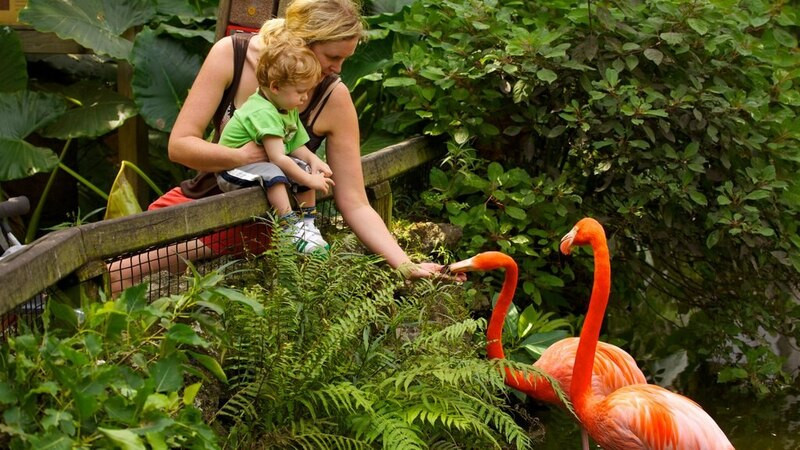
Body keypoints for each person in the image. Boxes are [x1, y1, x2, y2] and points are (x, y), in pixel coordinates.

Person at [109, 0, 457, 294]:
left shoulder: (333, 97)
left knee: (124, 272)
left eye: (345, 60)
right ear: (301, 42)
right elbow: (180, 147)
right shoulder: (231, 55)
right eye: (332, 57)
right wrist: (242, 156)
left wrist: (404, 263)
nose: (338, 70)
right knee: (113, 261)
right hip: (204, 195)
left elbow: (354, 200)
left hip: (264, 220)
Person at [215, 26, 333, 253]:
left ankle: (308, 225)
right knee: (276, 174)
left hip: (257, 164)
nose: (305, 98)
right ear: (275, 87)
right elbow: (278, 157)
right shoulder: (263, 111)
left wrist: (315, 163)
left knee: (304, 167)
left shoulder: (286, 106)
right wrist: (310, 181)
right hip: (231, 170)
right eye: (300, 91)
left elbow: (297, 145)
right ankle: (288, 228)